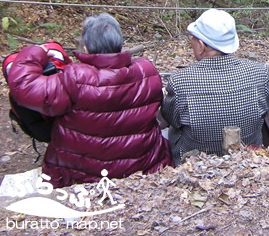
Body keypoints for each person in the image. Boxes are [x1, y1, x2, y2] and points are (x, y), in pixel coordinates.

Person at [7, 13, 173, 187]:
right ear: (120, 44)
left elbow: (24, 87)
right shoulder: (146, 71)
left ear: (85, 48)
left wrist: (36, 51)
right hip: (142, 164)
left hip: (80, 172)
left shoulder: (76, 77)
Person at [162, 9, 269, 164]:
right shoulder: (259, 72)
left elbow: (171, 119)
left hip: (196, 162)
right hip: (248, 157)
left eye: (193, 39)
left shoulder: (180, 81)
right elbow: (266, 109)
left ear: (201, 45)